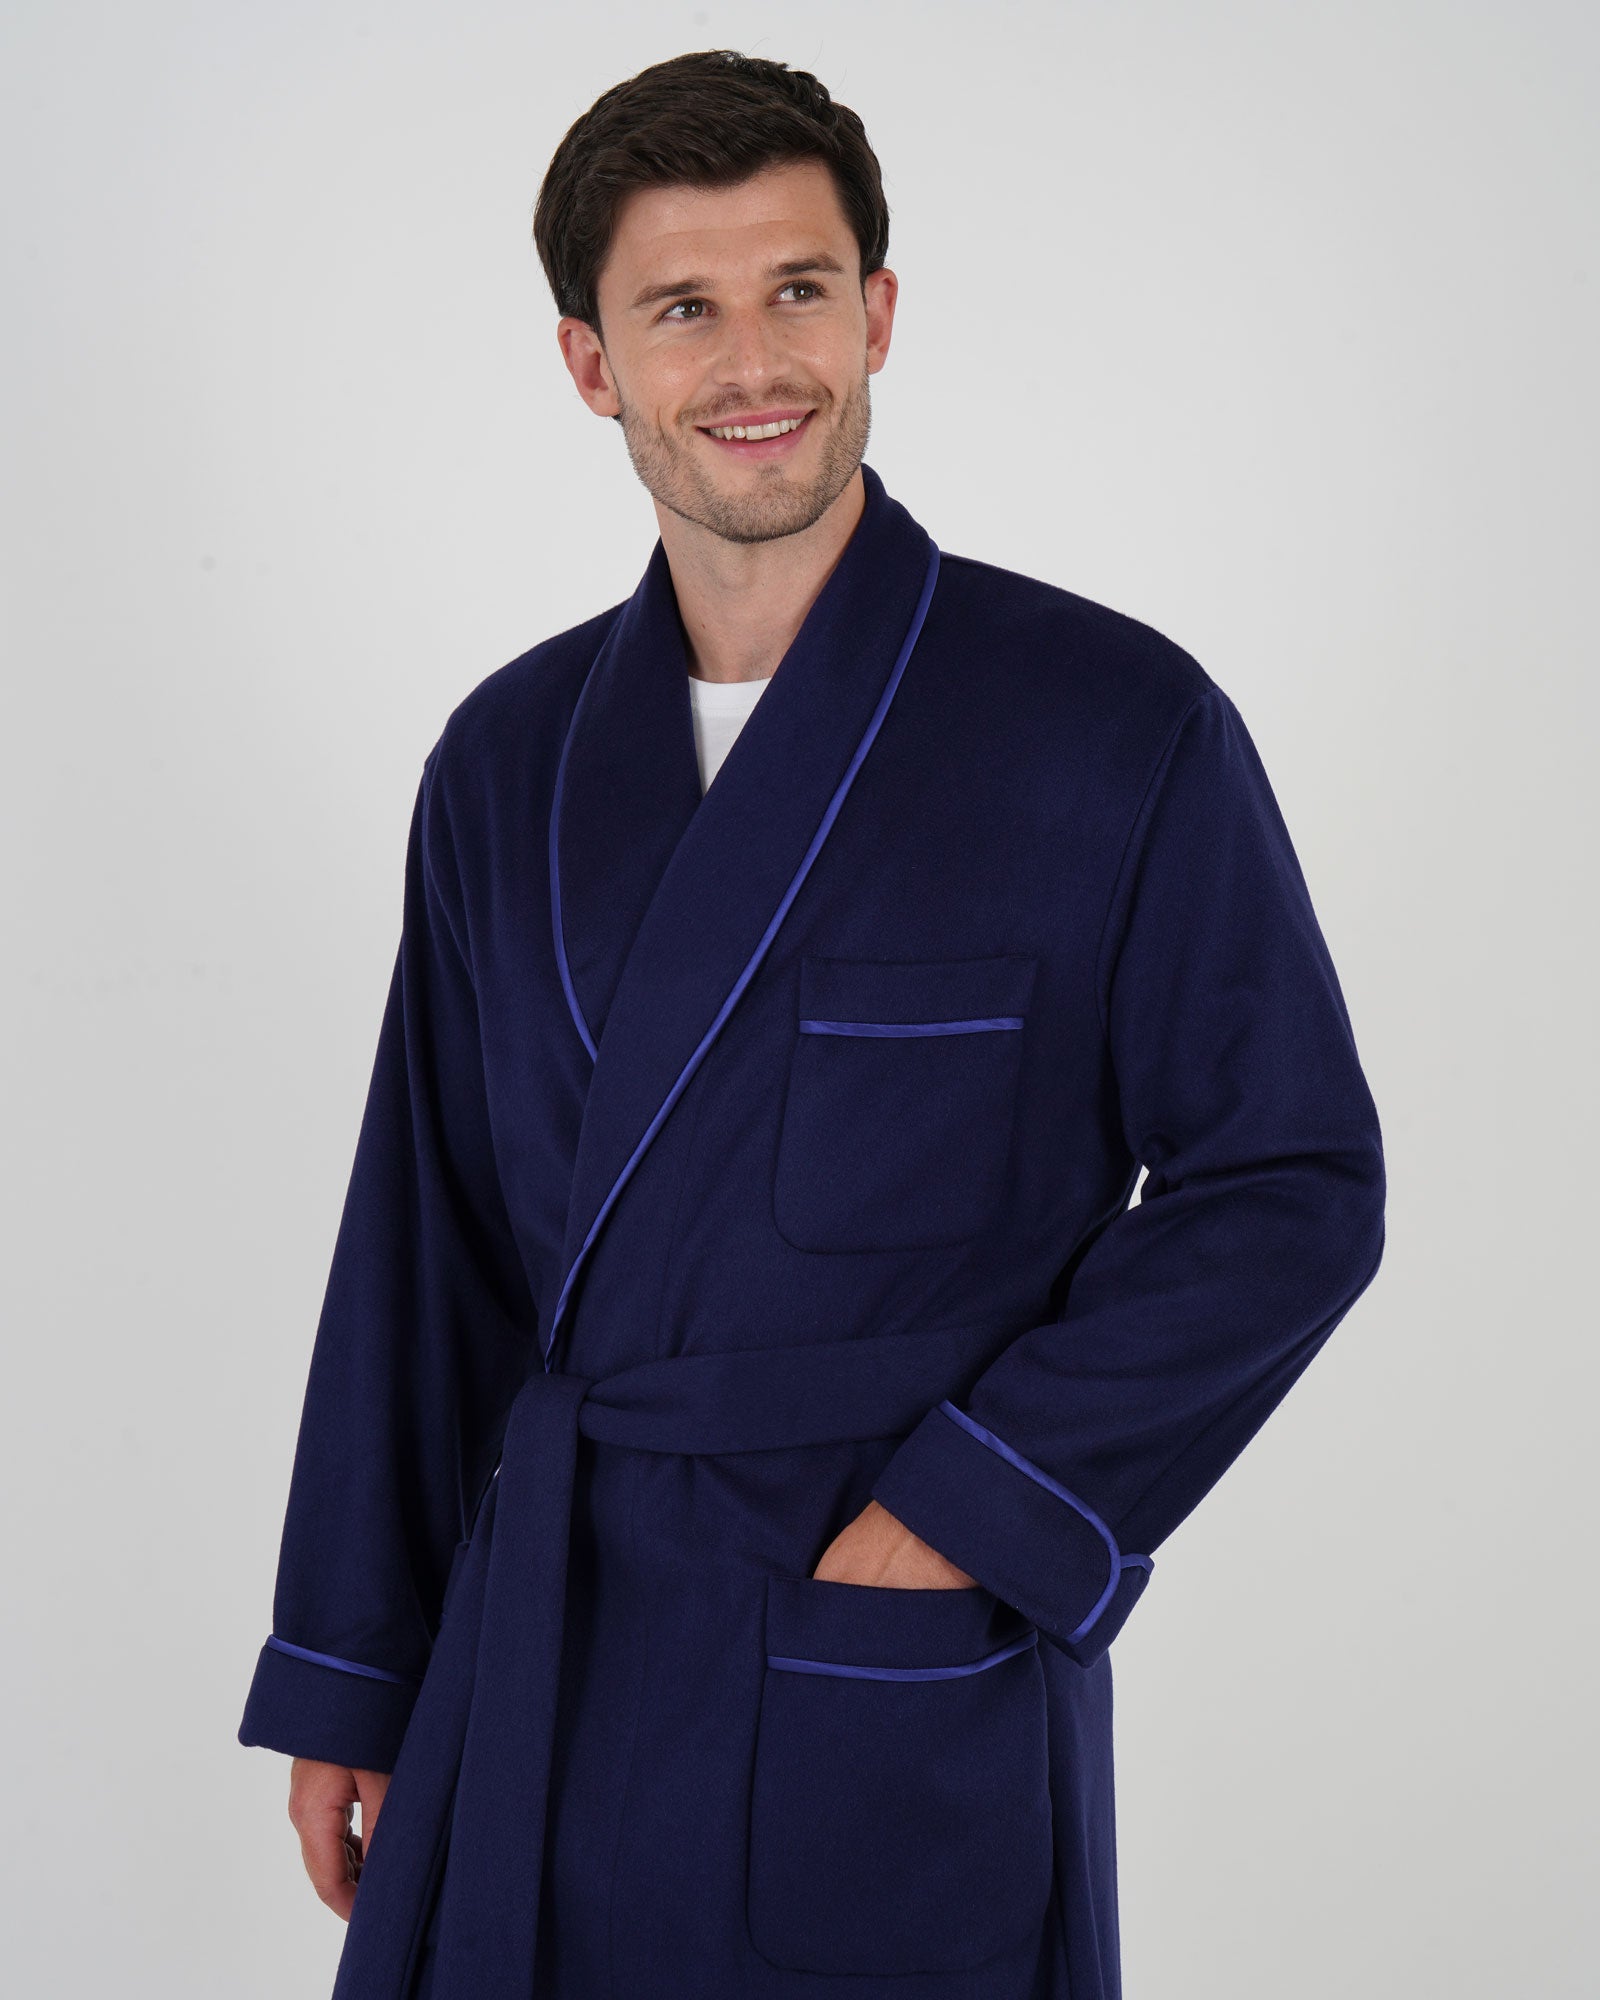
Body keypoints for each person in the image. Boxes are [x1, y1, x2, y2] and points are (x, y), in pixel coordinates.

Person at [238, 48, 1386, 2000]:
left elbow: (1288, 1180)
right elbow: (422, 1243)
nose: (754, 360)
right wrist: (359, 1662)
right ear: (592, 362)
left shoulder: (1107, 726)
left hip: (878, 1647)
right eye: (681, 307)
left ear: (878, 312)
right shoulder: (507, 760)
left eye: (797, 288)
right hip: (537, 1650)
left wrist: (969, 1514)